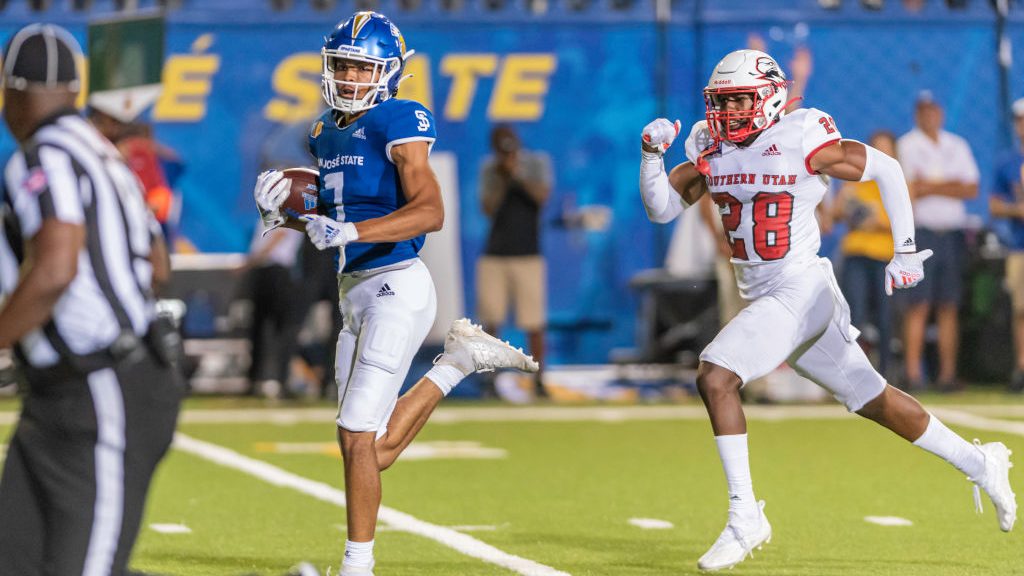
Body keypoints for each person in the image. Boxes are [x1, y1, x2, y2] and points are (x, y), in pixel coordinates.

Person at [638, 49, 1015, 572]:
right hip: (768, 296)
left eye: (739, 100)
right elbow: (661, 208)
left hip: (800, 289)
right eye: (721, 102)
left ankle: (745, 515)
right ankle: (981, 462)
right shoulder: (712, 144)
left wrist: (904, 249)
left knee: (716, 375)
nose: (728, 112)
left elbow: (884, 167)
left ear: (769, 96)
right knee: (874, 400)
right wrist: (651, 157)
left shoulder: (800, 134)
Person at [251, 12, 538, 576]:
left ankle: (359, 566)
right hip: (354, 292)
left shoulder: (399, 118)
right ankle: (457, 362)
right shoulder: (322, 131)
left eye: (361, 66)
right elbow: (333, 219)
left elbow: (430, 211)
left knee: (359, 435)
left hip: (396, 285)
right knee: (365, 446)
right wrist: (281, 216)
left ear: (388, 72)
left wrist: (351, 231)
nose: (350, 77)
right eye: (342, 65)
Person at [0, 24, 182, 575]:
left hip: (101, 384)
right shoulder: (101, 152)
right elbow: (157, 267)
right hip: (73, 389)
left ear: (11, 91)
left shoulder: (43, 155)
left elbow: (56, 268)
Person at [896, 91, 979, 391]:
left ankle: (947, 375)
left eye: (933, 111)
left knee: (949, 305)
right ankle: (913, 374)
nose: (929, 116)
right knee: (918, 304)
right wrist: (948, 185)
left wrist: (929, 185)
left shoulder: (956, 144)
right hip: (922, 232)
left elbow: (970, 188)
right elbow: (910, 188)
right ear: (917, 115)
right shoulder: (906, 144)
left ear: (939, 113)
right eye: (923, 111)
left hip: (953, 232)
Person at [477, 124, 552, 399]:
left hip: (528, 254)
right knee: (491, 320)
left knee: (534, 322)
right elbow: (488, 208)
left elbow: (541, 197)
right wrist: (502, 176)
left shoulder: (535, 163)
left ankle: (539, 379)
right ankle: (490, 380)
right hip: (495, 254)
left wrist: (516, 175)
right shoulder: (490, 169)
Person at [833, 130, 899, 377]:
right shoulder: (855, 178)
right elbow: (837, 214)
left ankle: (886, 371)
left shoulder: (897, 179)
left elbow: (905, 219)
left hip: (885, 256)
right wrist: (851, 208)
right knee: (855, 314)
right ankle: (854, 371)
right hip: (856, 253)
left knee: (885, 317)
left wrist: (875, 221)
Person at [242, 220, 304, 397]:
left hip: (278, 272)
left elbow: (278, 237)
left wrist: (249, 264)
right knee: (258, 328)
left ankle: (280, 379)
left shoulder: (288, 210)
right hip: (265, 270)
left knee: (280, 329)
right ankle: (256, 379)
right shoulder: (266, 215)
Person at [990, 98, 1024, 393]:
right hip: (1020, 245)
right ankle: (1022, 368)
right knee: (1021, 310)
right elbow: (995, 205)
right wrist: (1018, 211)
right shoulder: (1007, 162)